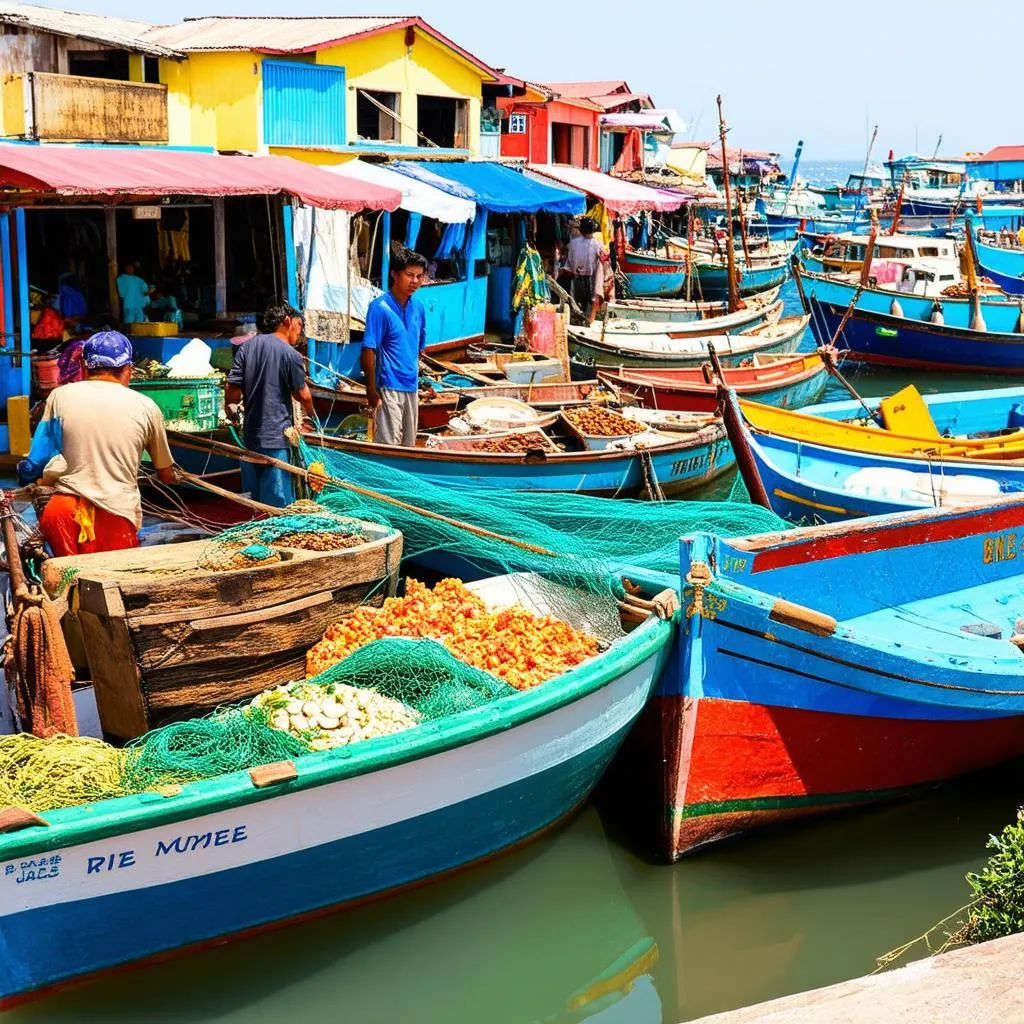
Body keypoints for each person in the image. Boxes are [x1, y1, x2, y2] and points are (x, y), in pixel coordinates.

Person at [17, 331, 175, 557]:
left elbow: (35, 463)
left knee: (65, 582)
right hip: (114, 517)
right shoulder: (147, 407)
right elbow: (166, 475)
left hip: (62, 513)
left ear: (84, 365)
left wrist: (29, 478)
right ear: (128, 368)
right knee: (107, 584)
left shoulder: (59, 396)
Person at [225, 302, 315, 508]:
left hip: (250, 438)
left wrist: (229, 408)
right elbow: (303, 394)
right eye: (299, 326)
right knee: (277, 504)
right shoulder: (291, 355)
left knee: (253, 502)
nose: (299, 333)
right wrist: (312, 416)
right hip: (277, 440)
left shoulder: (246, 348)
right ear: (287, 321)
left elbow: (232, 389)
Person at [360, 248, 429, 446]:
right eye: (409, 275)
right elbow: (368, 350)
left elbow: (419, 346)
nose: (414, 281)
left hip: (412, 386)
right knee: (387, 445)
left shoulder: (419, 308)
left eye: (419, 276)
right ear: (394, 274)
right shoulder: (379, 308)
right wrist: (371, 390)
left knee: (409, 446)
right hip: (389, 386)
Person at [565, 217, 603, 321]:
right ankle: (587, 320)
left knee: (576, 302)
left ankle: (577, 320)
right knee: (589, 302)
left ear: (581, 230)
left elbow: (570, 259)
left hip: (576, 277)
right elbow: (602, 259)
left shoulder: (573, 243)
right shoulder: (598, 244)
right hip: (590, 278)